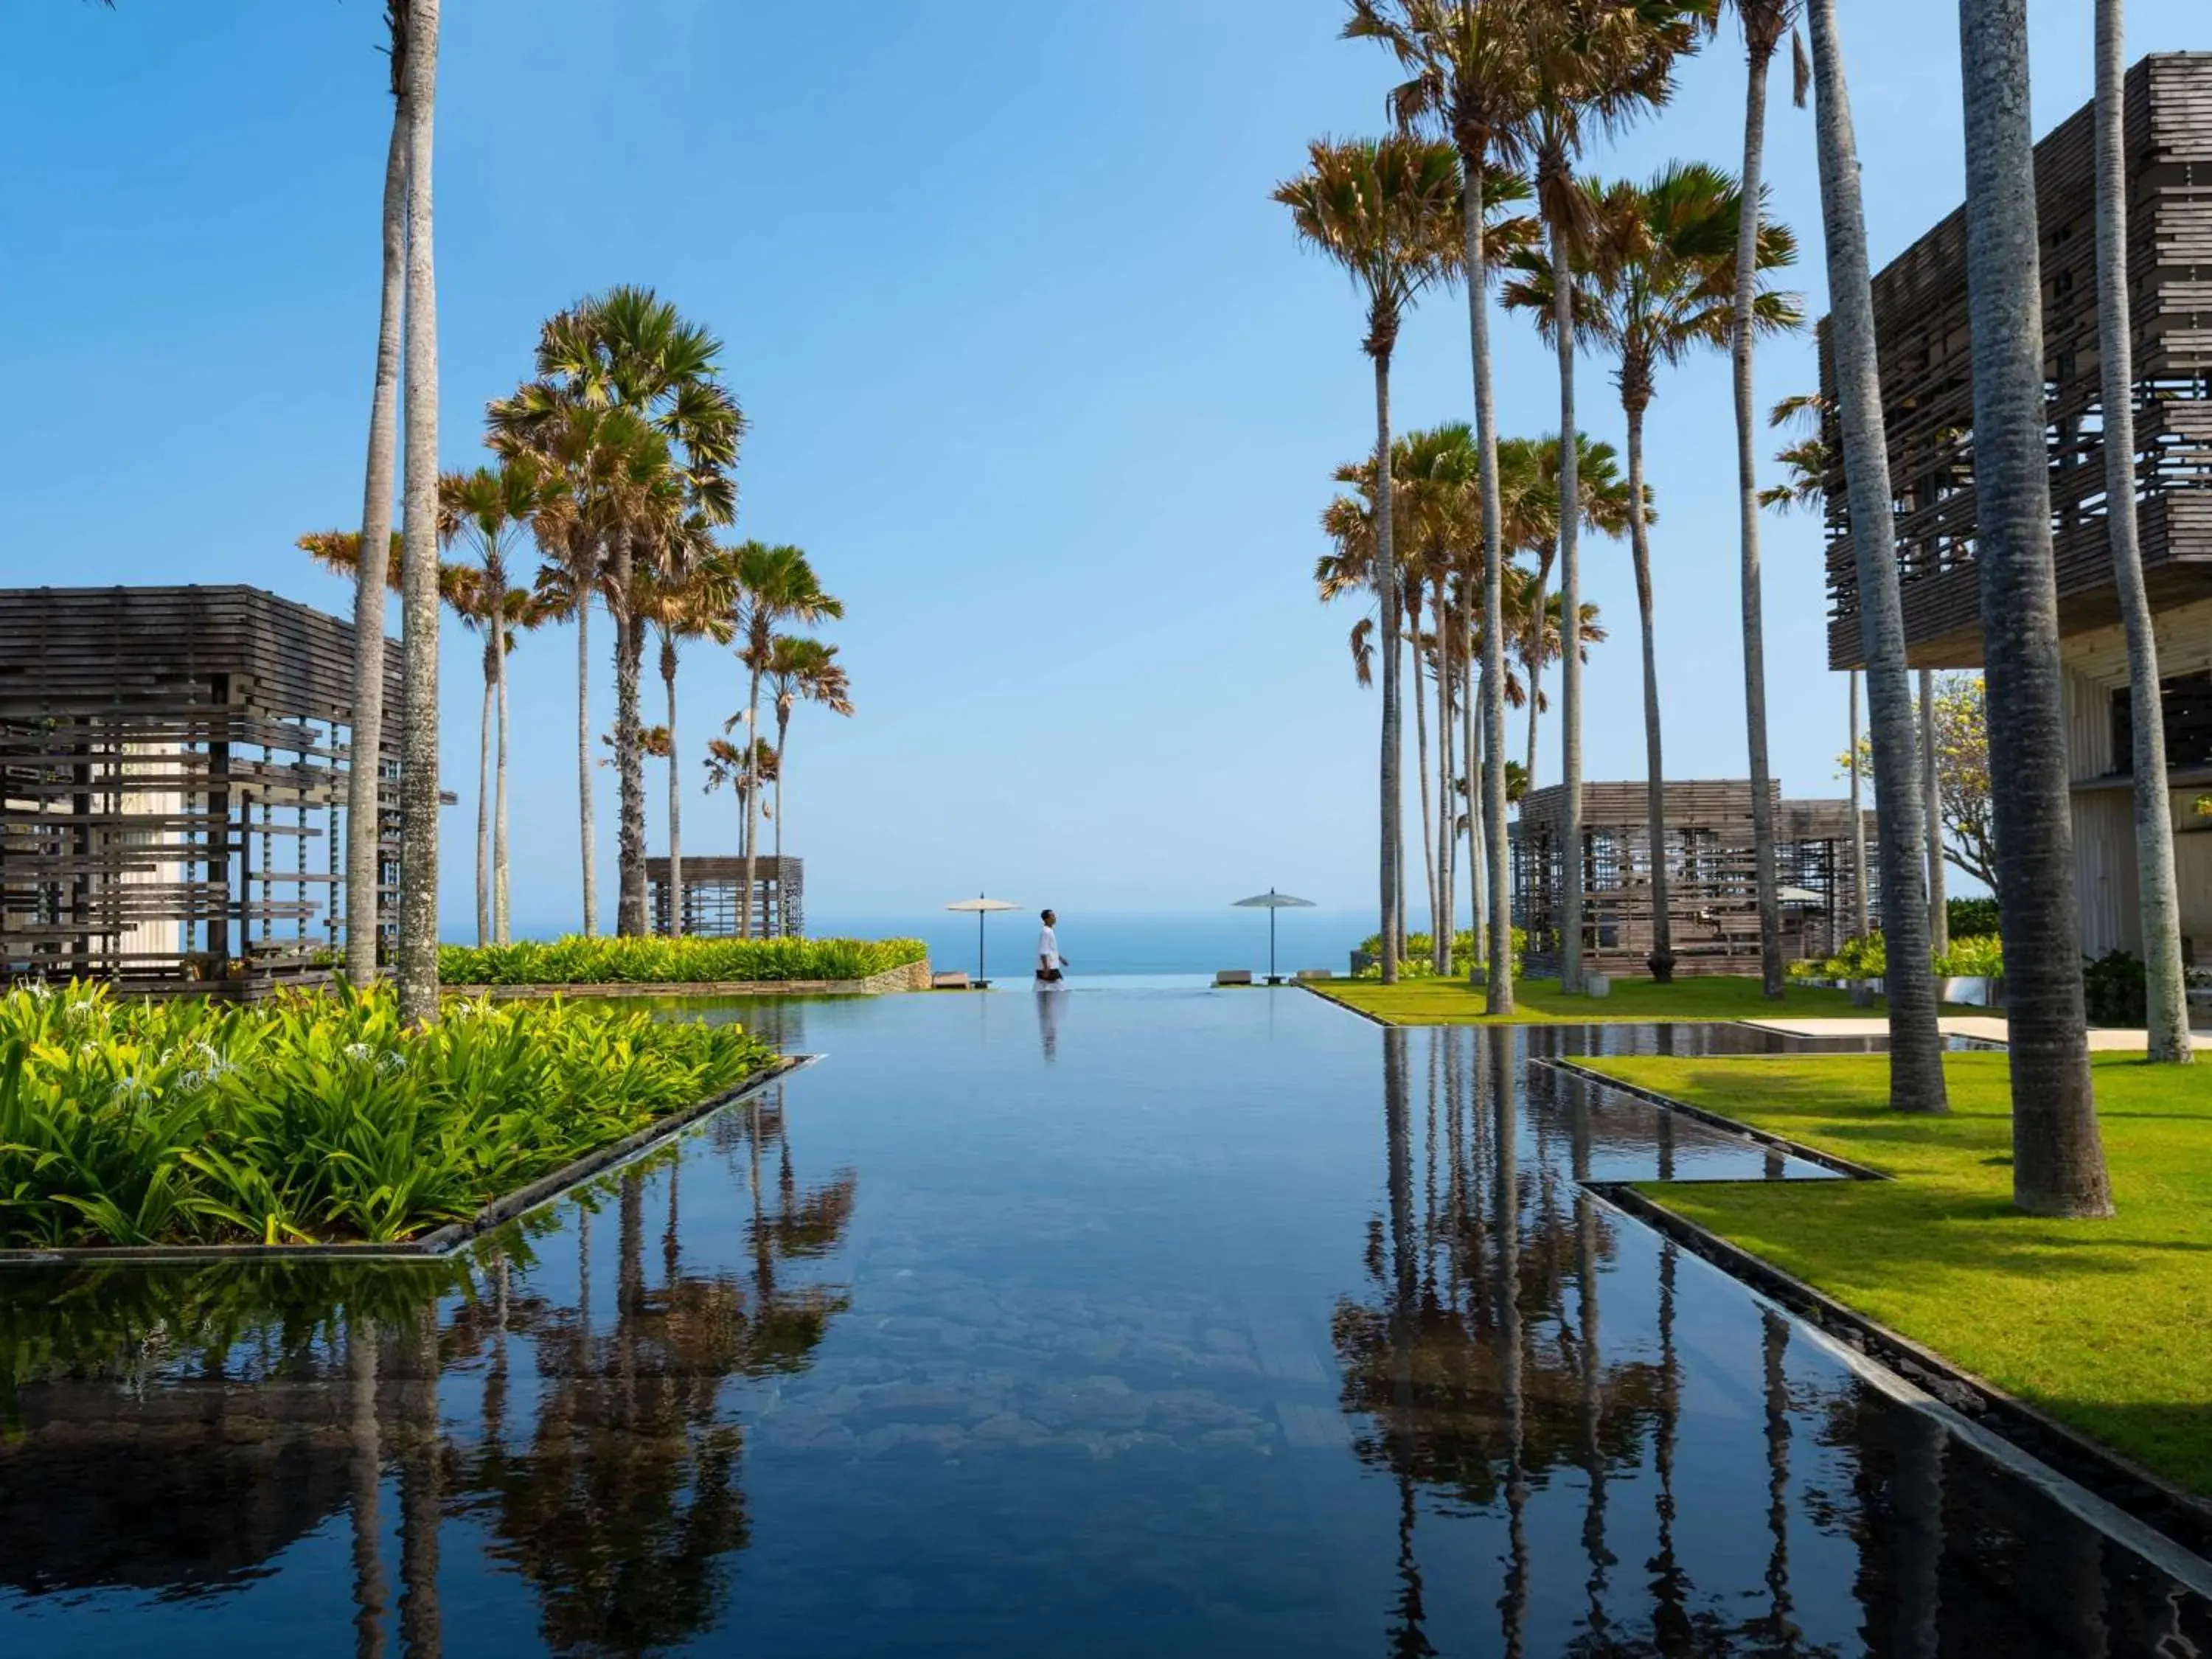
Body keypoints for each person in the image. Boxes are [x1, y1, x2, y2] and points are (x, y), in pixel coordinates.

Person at [1036, 908, 1070, 984]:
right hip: (1049, 967)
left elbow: (1052, 949)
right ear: (1046, 919)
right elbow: (1043, 951)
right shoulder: (1046, 931)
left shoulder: (1049, 931)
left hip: (1051, 966)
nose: (1055, 918)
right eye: (1052, 916)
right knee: (1058, 988)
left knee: (1044, 988)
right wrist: (1046, 967)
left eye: (1054, 915)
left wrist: (1061, 959)